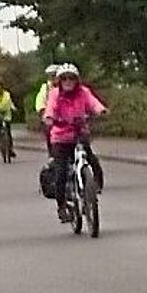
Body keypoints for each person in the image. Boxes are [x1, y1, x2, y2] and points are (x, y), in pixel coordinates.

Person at [44, 63, 107, 222]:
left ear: (76, 80)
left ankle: (93, 188)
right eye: (64, 78)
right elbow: (50, 108)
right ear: (59, 81)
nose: (68, 81)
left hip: (79, 133)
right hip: (60, 137)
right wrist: (50, 118)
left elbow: (93, 102)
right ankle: (62, 206)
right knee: (61, 172)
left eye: (71, 78)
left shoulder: (83, 92)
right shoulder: (54, 94)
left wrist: (100, 110)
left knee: (91, 159)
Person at [36, 65, 60, 155]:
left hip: (66, 115)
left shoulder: (66, 85)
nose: (54, 78)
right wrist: (42, 111)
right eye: (51, 76)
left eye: (55, 75)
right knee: (49, 131)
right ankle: (52, 154)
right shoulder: (45, 88)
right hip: (51, 115)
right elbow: (40, 100)